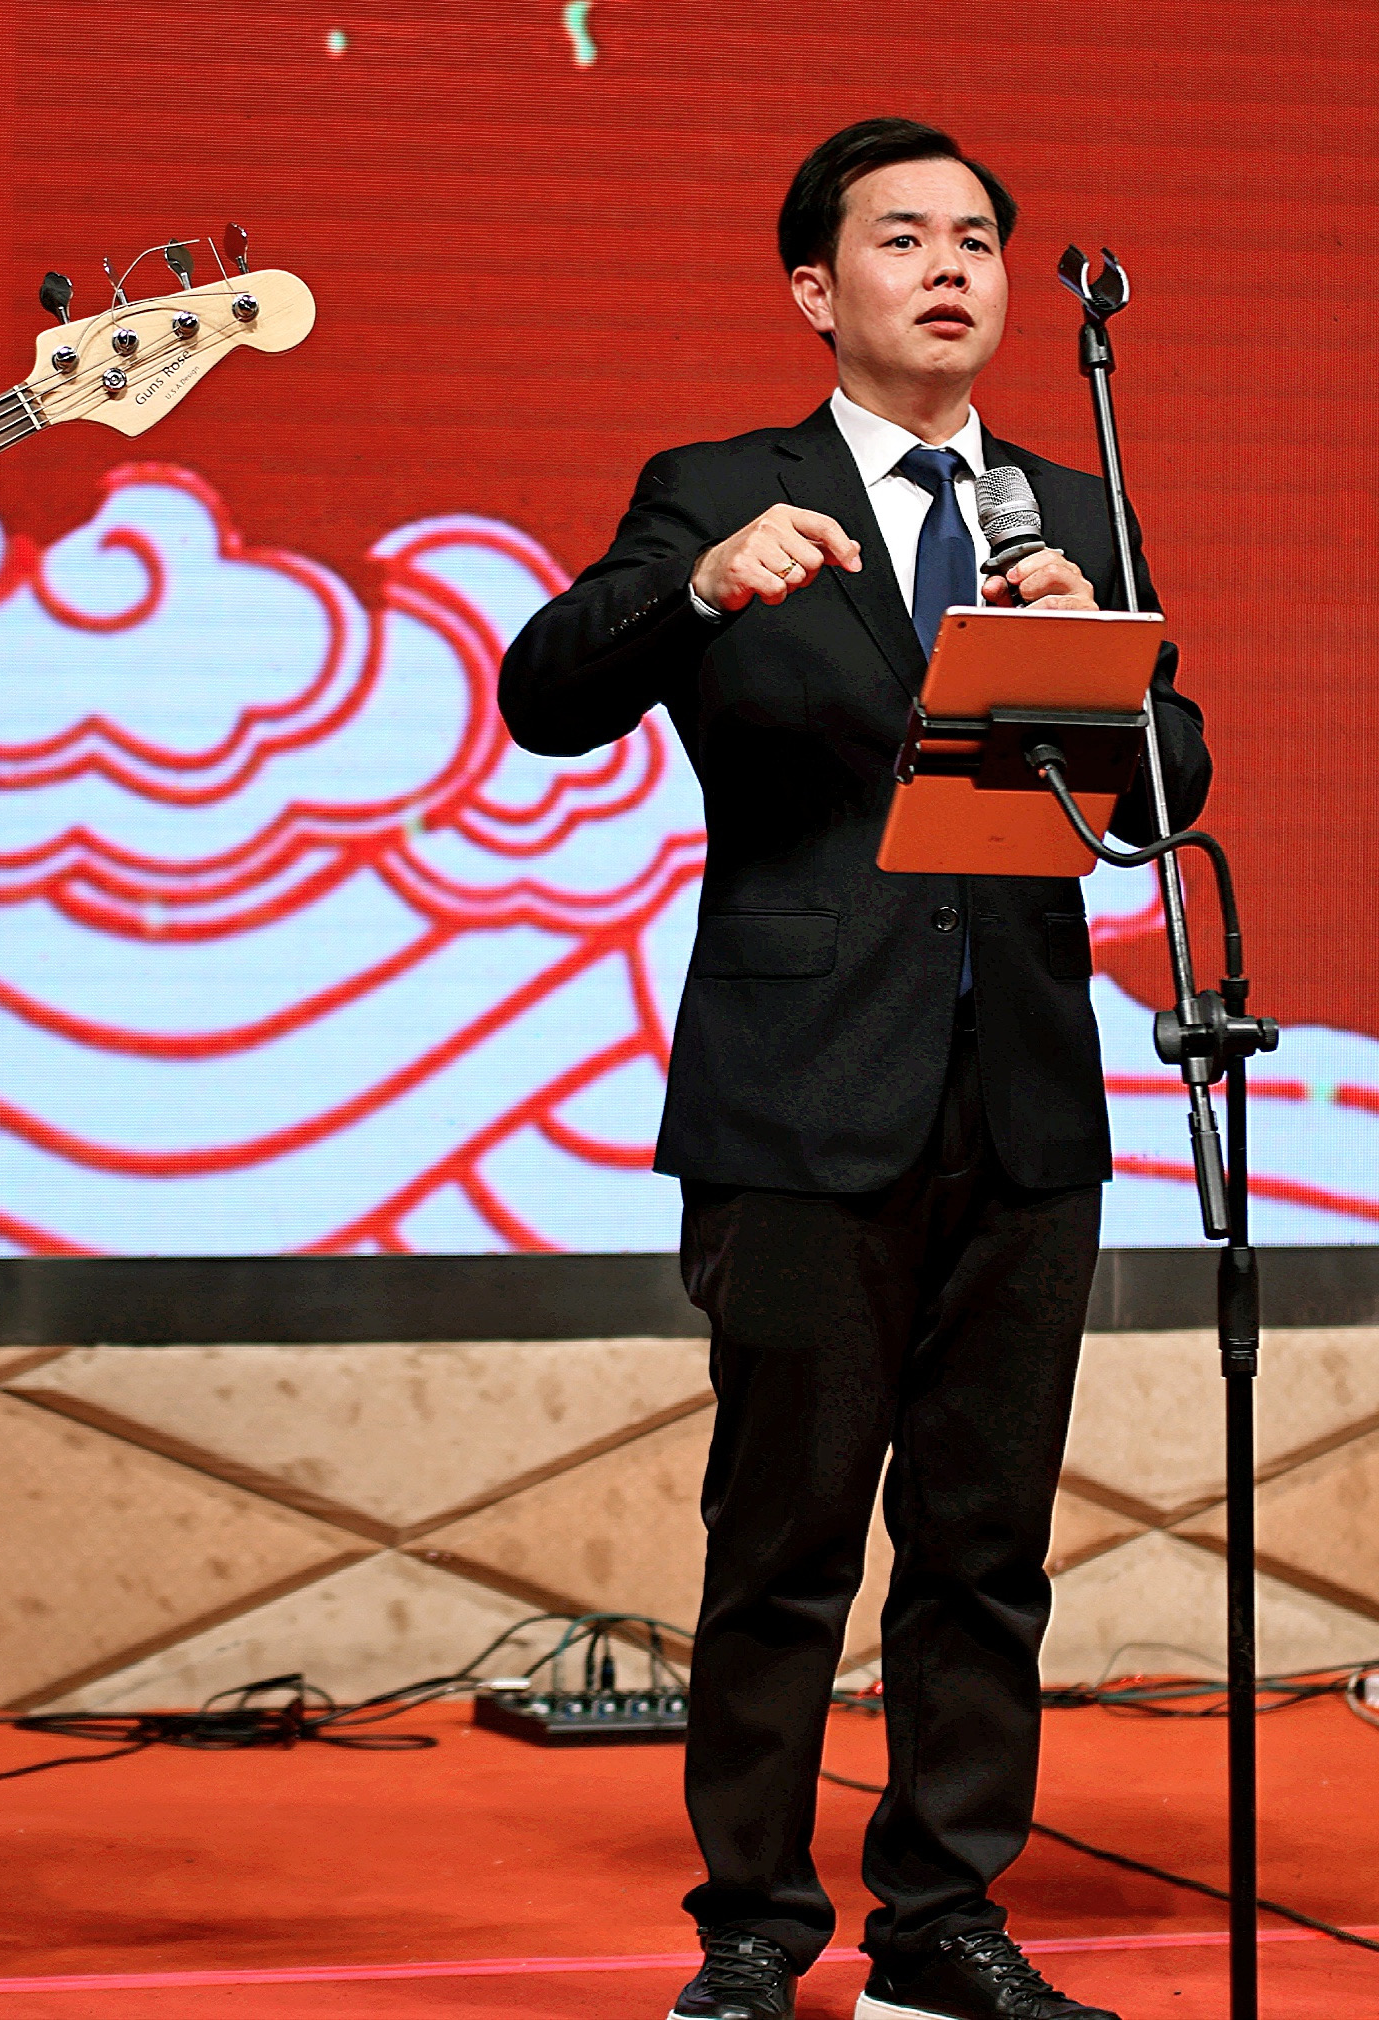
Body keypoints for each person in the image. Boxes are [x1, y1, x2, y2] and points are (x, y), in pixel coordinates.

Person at [498, 119, 1208, 2020]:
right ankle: (751, 1924)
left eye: (978, 237)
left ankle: (942, 1919)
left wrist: (1106, 669)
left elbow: (1169, 791)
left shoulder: (1072, 507)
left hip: (1026, 1092)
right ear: (817, 290)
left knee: (985, 1548)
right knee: (785, 1537)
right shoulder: (720, 490)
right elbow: (544, 695)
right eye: (905, 238)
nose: (952, 265)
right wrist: (696, 589)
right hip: (803, 1086)